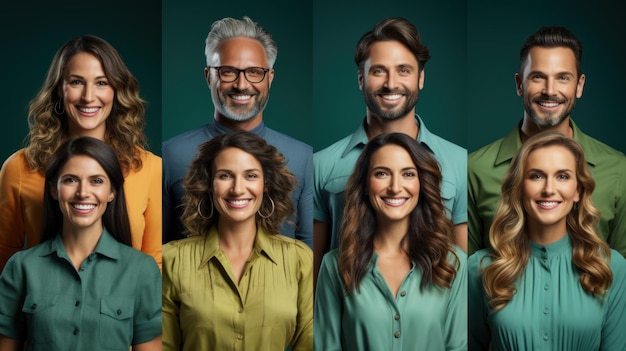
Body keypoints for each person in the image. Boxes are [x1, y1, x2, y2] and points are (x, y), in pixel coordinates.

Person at [313, 17, 467, 279]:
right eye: (378, 71)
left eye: (403, 70)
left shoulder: (460, 161)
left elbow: (462, 271)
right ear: (361, 79)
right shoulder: (321, 164)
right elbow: (315, 275)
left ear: (421, 79)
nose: (391, 83)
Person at [0, 35, 162, 272]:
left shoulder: (150, 168)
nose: (88, 97)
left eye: (102, 83)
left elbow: (154, 263)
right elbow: (4, 258)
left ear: (116, 90)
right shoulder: (19, 167)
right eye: (76, 82)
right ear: (58, 90)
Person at [468, 26, 626, 257]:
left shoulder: (618, 168)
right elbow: (465, 275)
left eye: (563, 78)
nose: (550, 90)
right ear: (519, 84)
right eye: (538, 77)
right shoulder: (475, 169)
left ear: (579, 85)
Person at [162, 16, 313, 248]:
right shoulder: (170, 155)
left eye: (254, 72)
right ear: (208, 76)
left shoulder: (303, 158)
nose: (242, 85)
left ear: (270, 78)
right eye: (228, 71)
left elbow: (308, 252)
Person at [0, 137, 162, 351]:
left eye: (96, 181)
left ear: (112, 192)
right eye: (70, 180)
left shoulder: (142, 270)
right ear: (53, 190)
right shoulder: (21, 267)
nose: (83, 193)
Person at [468, 131, 626, 350]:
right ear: (519, 188)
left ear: (578, 190)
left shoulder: (612, 267)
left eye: (562, 176)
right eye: (536, 176)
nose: (549, 189)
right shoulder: (480, 267)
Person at [162, 131, 313, 351]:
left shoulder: (299, 259)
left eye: (251, 176)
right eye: (225, 176)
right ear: (209, 185)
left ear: (266, 185)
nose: (238, 189)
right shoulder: (172, 260)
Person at [315, 133, 467, 350]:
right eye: (382, 173)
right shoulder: (334, 265)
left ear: (421, 184)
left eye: (408, 174)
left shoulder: (453, 263)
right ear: (366, 185)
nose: (395, 187)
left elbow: (458, 346)